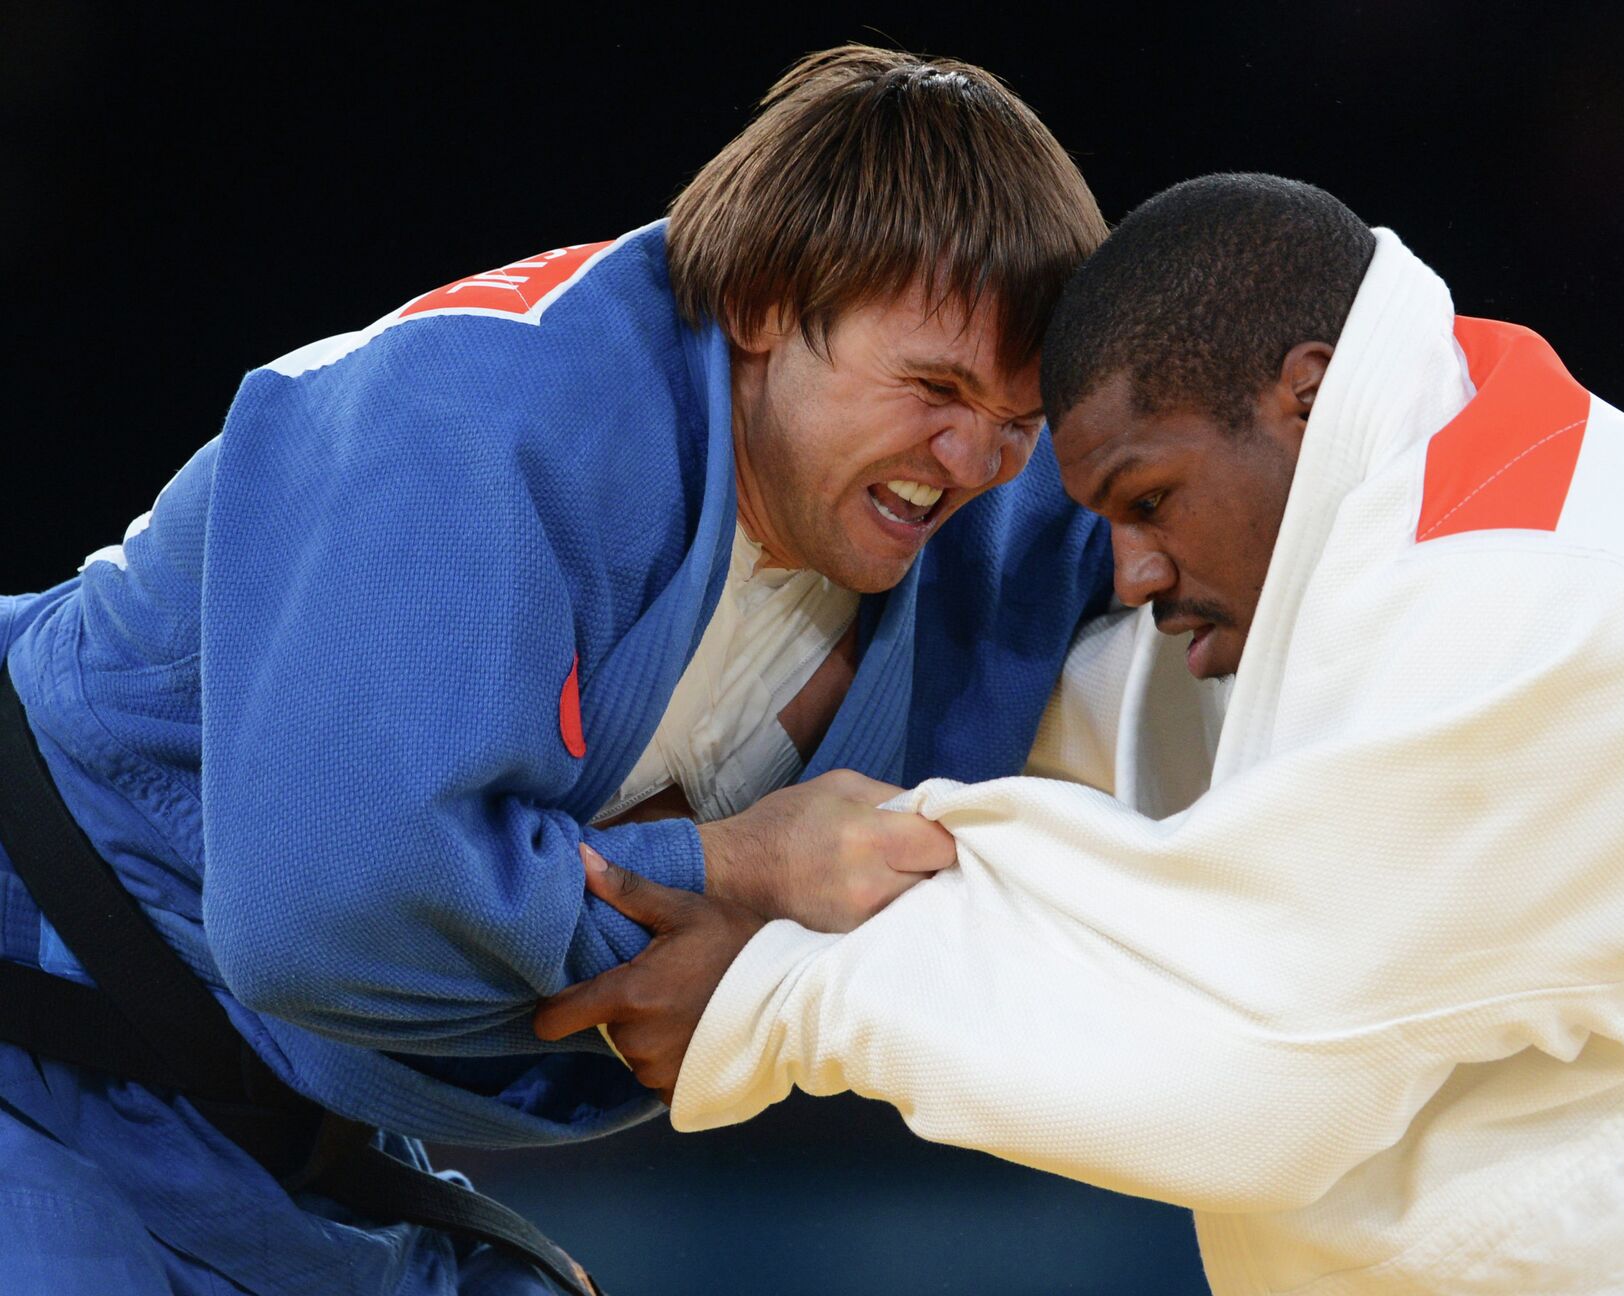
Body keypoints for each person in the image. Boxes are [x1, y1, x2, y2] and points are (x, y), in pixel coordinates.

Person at [542, 175, 1624, 1294]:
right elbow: (1099, 756)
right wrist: (740, 821)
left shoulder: (1533, 611)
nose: (1133, 574)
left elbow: (1248, 1073)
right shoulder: (1429, 476)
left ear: (1304, 398)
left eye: (1150, 502)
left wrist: (778, 996)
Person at [0, 45, 1112, 1295]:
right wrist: (737, 873)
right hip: (45, 992)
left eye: (1017, 420)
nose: (970, 461)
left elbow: (1246, 473)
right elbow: (329, 918)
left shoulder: (986, 513)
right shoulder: (487, 425)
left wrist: (756, 973)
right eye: (934, 388)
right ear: (762, 303)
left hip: (274, 1120)